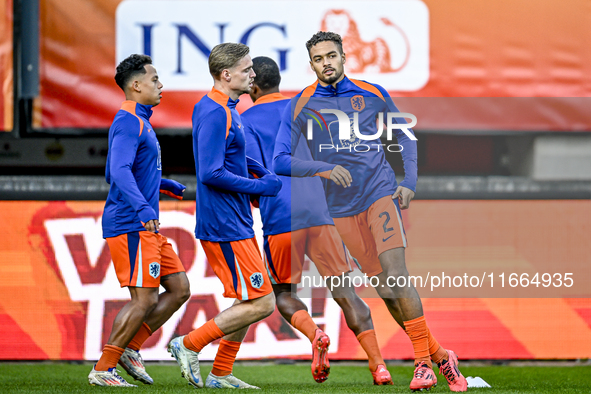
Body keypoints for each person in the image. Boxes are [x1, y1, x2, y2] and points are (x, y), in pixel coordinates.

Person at [273, 32, 468, 392]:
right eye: (318, 58)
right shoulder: (300, 105)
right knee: (388, 293)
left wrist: (408, 181)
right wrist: (323, 168)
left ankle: (423, 364)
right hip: (341, 211)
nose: (326, 63)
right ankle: (442, 356)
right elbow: (279, 160)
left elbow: (405, 137)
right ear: (311, 63)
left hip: (379, 194)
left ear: (345, 57)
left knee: (396, 273)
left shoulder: (372, 93)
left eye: (332, 55)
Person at [240, 56, 393, 385]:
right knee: (346, 292)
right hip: (321, 213)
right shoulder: (305, 108)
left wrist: (253, 198)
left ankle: (315, 335)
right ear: (279, 80)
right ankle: (378, 364)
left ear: (253, 86)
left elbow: (251, 167)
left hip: (280, 215)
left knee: (282, 292)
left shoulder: (245, 119)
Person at [167, 43, 282, 389]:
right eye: (247, 69)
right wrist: (260, 187)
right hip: (224, 222)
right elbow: (210, 172)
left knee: (246, 298)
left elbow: (235, 156)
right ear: (226, 75)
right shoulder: (216, 112)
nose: (253, 75)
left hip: (235, 219)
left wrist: (264, 172)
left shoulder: (226, 108)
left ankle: (221, 372)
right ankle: (188, 344)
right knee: (262, 303)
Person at [88, 54, 191, 387]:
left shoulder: (140, 121)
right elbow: (117, 171)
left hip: (146, 225)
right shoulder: (129, 119)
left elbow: (116, 168)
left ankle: (130, 348)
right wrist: (144, 207)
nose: (161, 85)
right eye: (155, 79)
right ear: (136, 85)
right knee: (144, 299)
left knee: (179, 289)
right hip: (132, 223)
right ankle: (104, 368)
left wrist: (162, 182)